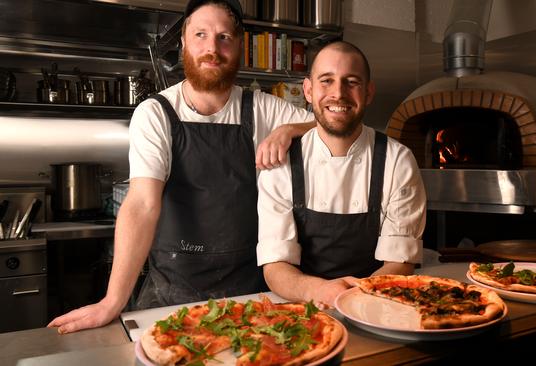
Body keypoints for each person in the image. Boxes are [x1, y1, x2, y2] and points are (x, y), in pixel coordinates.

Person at [48, 0, 314, 334]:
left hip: (250, 296)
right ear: (184, 43)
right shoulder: (156, 113)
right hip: (170, 297)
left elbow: (332, 124)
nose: (212, 48)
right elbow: (142, 204)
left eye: (224, 37)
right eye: (201, 34)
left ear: (239, 47)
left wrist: (290, 129)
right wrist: (112, 301)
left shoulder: (262, 108)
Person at [256, 41, 427, 307]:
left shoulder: (397, 161)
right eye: (326, 81)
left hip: (378, 303)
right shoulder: (281, 165)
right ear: (308, 90)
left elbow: (399, 262)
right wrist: (320, 291)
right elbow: (275, 266)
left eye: (352, 82)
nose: (338, 93)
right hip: (302, 308)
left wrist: (356, 299)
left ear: (368, 92)